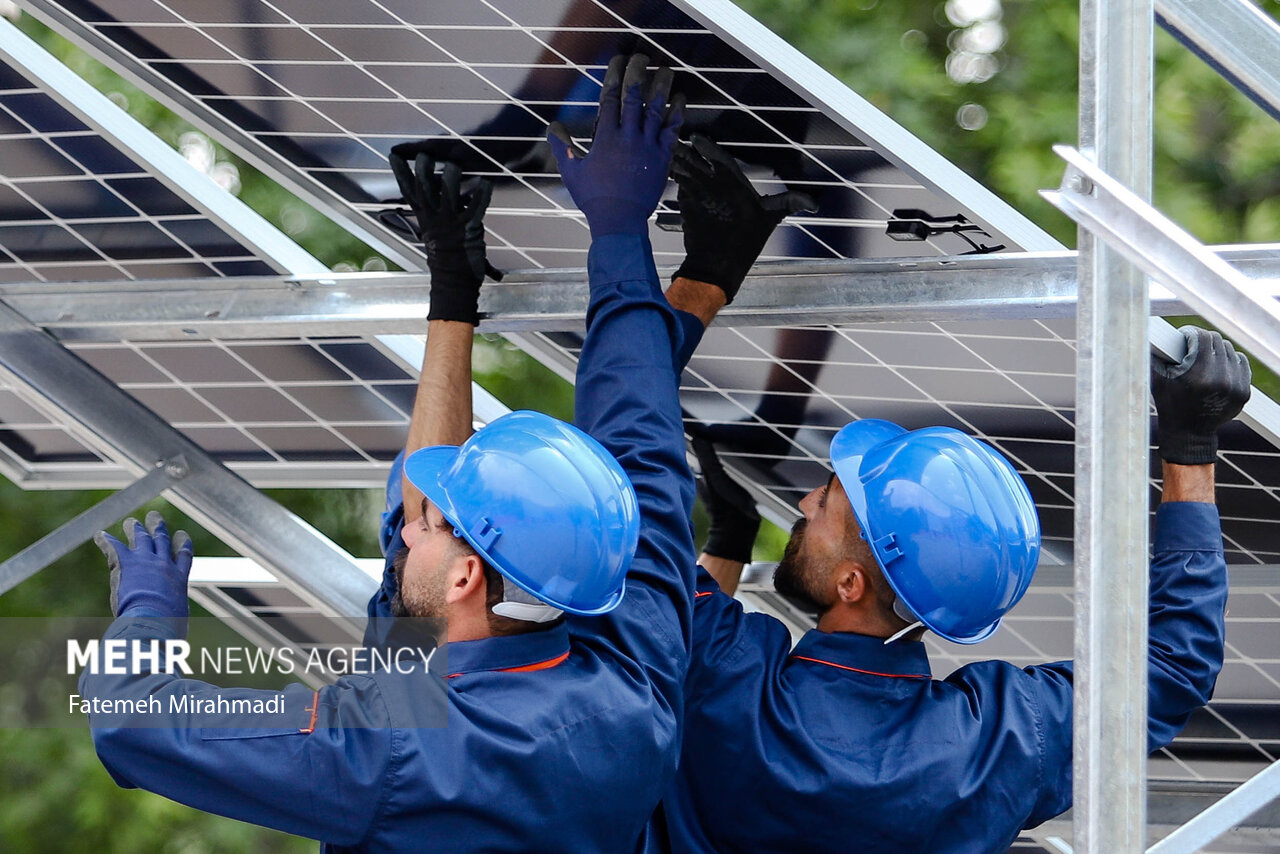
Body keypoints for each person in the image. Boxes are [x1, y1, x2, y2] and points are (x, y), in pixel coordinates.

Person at [79, 54, 695, 853]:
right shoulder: (622, 690)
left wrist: (148, 611)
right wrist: (459, 300)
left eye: (432, 525)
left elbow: (134, 720)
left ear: (471, 576)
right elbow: (638, 451)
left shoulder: (389, 750)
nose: (406, 530)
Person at [654, 133, 1244, 852]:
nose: (804, 503)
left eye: (828, 503)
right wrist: (1190, 446)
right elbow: (1175, 666)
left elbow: (623, 458)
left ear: (849, 582)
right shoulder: (996, 740)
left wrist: (705, 275)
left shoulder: (729, 677)